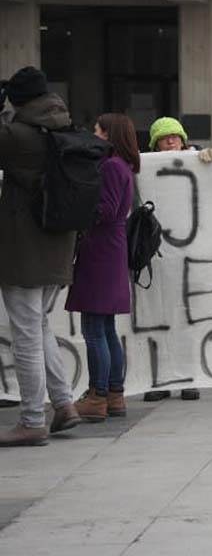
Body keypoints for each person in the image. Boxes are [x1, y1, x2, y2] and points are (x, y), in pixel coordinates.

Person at [0, 67, 81, 445]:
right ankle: (64, 404)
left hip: (24, 251)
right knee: (41, 327)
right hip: (58, 246)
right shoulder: (61, 128)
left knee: (26, 336)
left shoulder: (17, 136)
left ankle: (32, 419)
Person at [67, 114, 139, 422]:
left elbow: (106, 209)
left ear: (109, 134)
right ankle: (114, 394)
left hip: (100, 251)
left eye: (97, 130)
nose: (93, 134)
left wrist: (76, 210)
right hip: (111, 250)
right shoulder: (123, 165)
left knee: (94, 328)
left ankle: (97, 395)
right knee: (105, 328)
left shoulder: (110, 166)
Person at [142, 116, 212, 403]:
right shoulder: (145, 167)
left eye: (175, 136)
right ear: (155, 144)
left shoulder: (198, 160)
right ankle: (160, 379)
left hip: (189, 257)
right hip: (158, 255)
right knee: (157, 317)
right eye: (165, 137)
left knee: (187, 317)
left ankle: (189, 378)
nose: (171, 141)